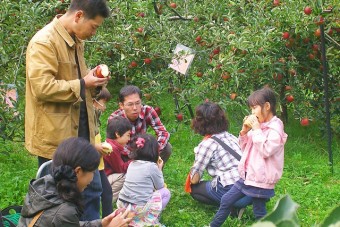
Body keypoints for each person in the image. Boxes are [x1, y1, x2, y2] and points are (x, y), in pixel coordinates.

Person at [24, 0, 110, 221]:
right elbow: (42, 88)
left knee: (92, 192)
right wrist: (83, 83)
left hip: (82, 135)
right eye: (94, 26)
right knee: (58, 200)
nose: (93, 32)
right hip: (57, 140)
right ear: (79, 16)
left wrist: (94, 83)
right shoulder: (44, 42)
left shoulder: (75, 40)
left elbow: (79, 84)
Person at [210, 87, 288, 226]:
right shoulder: (260, 126)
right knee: (226, 199)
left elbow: (266, 150)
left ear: (267, 106)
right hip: (247, 176)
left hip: (261, 180)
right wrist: (244, 132)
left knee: (259, 212)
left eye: (254, 108)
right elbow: (245, 148)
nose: (252, 112)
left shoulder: (275, 129)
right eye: (251, 109)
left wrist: (256, 129)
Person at [18, 137, 132, 227]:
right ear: (78, 171)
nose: (93, 178)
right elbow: (63, 219)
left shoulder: (43, 184)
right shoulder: (65, 211)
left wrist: (101, 224)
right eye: (92, 172)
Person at [188, 102, 252, 215]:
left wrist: (197, 156)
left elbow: (194, 179)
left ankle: (232, 207)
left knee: (194, 189)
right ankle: (237, 203)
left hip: (233, 188)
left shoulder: (207, 144)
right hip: (250, 187)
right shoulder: (230, 136)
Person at [108, 85, 172, 164]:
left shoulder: (147, 111)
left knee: (167, 147)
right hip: (125, 154)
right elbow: (113, 144)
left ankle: (155, 171)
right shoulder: (115, 119)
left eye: (138, 103)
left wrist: (153, 150)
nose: (135, 108)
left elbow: (163, 132)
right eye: (130, 104)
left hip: (143, 149)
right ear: (121, 105)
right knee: (114, 153)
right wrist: (136, 157)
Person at [117, 134, 171, 226]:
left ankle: (130, 219)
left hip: (122, 204)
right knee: (166, 192)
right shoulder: (152, 167)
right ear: (154, 152)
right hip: (138, 208)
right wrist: (159, 169)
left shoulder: (131, 164)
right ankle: (150, 218)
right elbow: (160, 186)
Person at [93, 87, 113, 217]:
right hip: (93, 165)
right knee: (96, 196)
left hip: (99, 165)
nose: (104, 107)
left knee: (107, 193)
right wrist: (96, 147)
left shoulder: (95, 118)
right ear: (94, 101)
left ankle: (108, 220)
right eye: (103, 103)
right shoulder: (87, 118)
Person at [103, 116, 133, 202]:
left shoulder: (111, 144)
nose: (129, 139)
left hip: (106, 178)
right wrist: (135, 160)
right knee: (125, 176)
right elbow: (121, 168)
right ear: (117, 134)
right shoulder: (112, 148)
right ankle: (108, 199)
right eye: (128, 135)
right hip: (104, 179)